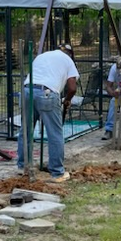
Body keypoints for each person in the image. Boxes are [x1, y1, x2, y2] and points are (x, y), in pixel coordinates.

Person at [17, 43, 79, 183]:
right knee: (54, 133)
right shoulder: (68, 60)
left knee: (26, 131)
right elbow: (72, 87)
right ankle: (57, 173)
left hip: (27, 91)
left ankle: (23, 167)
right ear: (70, 54)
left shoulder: (42, 56)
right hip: (47, 93)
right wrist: (67, 100)